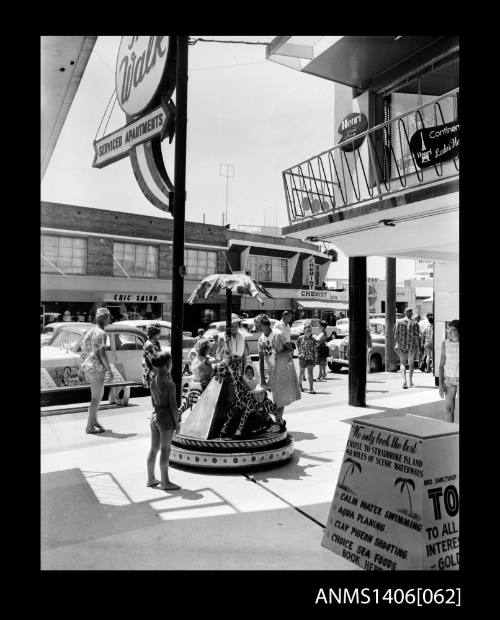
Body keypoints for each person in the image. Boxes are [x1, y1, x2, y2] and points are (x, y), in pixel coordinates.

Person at [258, 314, 300, 431]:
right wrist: (262, 379)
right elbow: (261, 360)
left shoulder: (278, 334)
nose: (258, 328)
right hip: (272, 371)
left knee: (279, 398)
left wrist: (277, 355)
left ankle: (278, 423)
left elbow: (290, 349)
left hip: (283, 369)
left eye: (259, 325)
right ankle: (280, 421)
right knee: (275, 397)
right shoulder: (261, 339)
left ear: (266, 325)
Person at [147, 352, 181, 490]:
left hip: (155, 416)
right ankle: (165, 482)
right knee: (165, 450)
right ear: (168, 364)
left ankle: (151, 479)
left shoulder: (153, 381)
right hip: (166, 418)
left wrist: (169, 373)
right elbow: (173, 407)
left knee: (154, 449)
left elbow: (153, 402)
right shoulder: (170, 385)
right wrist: (177, 423)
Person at [80, 307, 112, 434]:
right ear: (105, 319)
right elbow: (103, 353)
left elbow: (83, 349)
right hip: (97, 368)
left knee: (98, 396)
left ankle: (94, 420)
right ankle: (89, 426)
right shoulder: (102, 333)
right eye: (109, 318)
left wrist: (81, 366)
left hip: (89, 366)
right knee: (96, 398)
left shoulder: (91, 331)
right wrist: (109, 370)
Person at [394, 307, 420, 389]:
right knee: (411, 364)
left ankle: (404, 381)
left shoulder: (399, 322)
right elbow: (416, 336)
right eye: (411, 312)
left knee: (402, 363)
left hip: (402, 345)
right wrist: (418, 346)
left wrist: (396, 344)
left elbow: (396, 335)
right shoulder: (414, 323)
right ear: (410, 313)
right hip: (411, 346)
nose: (412, 313)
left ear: (405, 313)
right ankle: (410, 382)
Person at [438, 320, 459, 423]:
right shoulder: (445, 344)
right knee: (448, 409)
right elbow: (441, 365)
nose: (449, 333)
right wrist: (440, 384)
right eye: (448, 330)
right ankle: (449, 432)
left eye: (453, 330)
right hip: (449, 381)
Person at [297, 323, 316, 393]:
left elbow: (314, 350)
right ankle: (300, 386)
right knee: (301, 372)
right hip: (302, 358)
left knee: (310, 373)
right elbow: (298, 346)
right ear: (304, 331)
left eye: (310, 331)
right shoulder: (300, 338)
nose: (309, 332)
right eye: (307, 330)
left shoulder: (313, 339)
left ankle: (311, 389)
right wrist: (299, 353)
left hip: (310, 358)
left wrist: (315, 359)